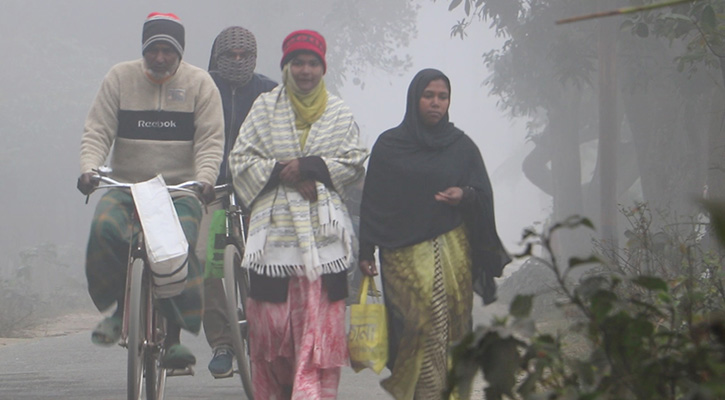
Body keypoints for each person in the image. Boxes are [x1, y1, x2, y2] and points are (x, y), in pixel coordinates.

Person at [77, 12, 224, 369]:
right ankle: (116, 312)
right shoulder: (119, 78)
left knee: (178, 248)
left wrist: (205, 177)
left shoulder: (200, 84)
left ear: (180, 52)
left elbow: (210, 140)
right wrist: (89, 169)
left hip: (178, 189)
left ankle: (172, 341)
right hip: (128, 185)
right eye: (153, 50)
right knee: (104, 230)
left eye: (168, 51)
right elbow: (97, 130)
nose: (160, 58)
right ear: (144, 49)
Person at [228, 29, 369, 399]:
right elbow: (240, 161)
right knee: (272, 342)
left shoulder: (339, 113)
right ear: (286, 67)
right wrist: (283, 173)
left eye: (312, 63)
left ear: (322, 68)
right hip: (273, 243)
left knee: (319, 342)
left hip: (324, 249)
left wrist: (311, 167)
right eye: (298, 63)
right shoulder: (264, 108)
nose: (305, 71)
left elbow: (355, 163)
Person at [357, 68, 511, 400]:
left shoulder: (461, 146)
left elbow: (482, 193)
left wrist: (465, 195)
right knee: (417, 326)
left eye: (442, 97)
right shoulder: (389, 145)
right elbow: (373, 201)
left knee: (447, 328)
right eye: (429, 96)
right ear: (415, 99)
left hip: (451, 252)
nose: (435, 103)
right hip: (401, 255)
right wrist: (365, 251)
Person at [198, 25, 277, 379]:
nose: (237, 61)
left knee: (268, 258)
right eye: (230, 55)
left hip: (257, 191)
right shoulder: (201, 87)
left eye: (245, 55)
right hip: (210, 190)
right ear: (217, 56)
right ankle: (222, 342)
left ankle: (269, 331)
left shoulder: (269, 92)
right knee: (209, 260)